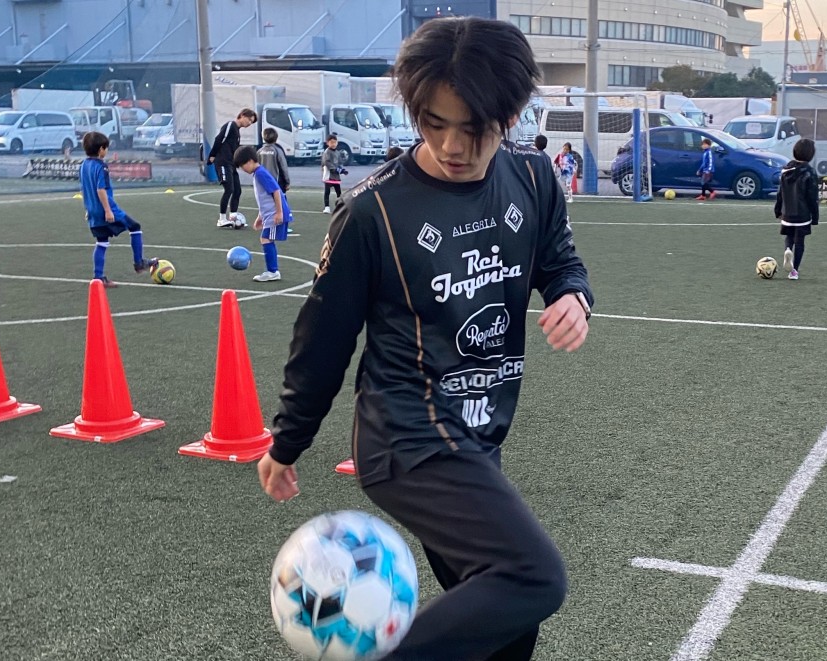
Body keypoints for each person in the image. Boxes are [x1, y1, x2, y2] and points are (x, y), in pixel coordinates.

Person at [256, 16, 592, 661]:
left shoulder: (533, 178)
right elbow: (323, 338)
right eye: (434, 124)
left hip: (478, 432)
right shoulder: (372, 211)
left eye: (473, 128)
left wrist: (572, 295)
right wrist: (288, 440)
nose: (451, 145)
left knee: (506, 620)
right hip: (406, 438)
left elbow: (559, 260)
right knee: (533, 577)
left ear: (509, 116)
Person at [78, 131, 157, 288]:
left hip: (93, 211)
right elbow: (100, 189)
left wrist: (88, 208)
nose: (106, 151)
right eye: (106, 148)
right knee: (135, 227)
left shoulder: (83, 166)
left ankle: (98, 278)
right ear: (101, 149)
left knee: (101, 242)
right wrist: (108, 210)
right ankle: (139, 263)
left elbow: (85, 189)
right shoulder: (101, 167)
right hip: (107, 209)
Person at [233, 145, 292, 282]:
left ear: (250, 161)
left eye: (242, 166)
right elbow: (264, 199)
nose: (242, 169)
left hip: (274, 213)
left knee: (266, 239)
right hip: (269, 214)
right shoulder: (258, 173)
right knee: (266, 238)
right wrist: (260, 217)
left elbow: (276, 191)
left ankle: (272, 271)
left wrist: (279, 212)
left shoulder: (260, 173)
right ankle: (272, 271)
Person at [774, 138, 819, 281]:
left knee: (789, 237)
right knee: (800, 242)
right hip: (802, 215)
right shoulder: (810, 172)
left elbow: (780, 192)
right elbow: (812, 197)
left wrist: (778, 210)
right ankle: (794, 271)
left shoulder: (786, 170)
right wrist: (815, 216)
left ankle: (788, 250)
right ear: (810, 154)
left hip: (787, 213)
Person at [208, 108, 257, 228]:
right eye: (249, 120)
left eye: (251, 122)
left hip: (231, 164)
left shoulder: (237, 131)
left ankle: (233, 218)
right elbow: (219, 139)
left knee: (237, 190)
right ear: (242, 115)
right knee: (229, 189)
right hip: (223, 162)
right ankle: (221, 219)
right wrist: (212, 155)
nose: (249, 123)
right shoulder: (230, 125)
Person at [257, 128, 291, 194]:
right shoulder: (278, 151)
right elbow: (283, 167)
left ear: (263, 138)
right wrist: (287, 182)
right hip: (277, 183)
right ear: (276, 138)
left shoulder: (259, 152)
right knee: (279, 200)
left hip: (263, 183)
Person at [321, 134, 348, 214]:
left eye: (335, 142)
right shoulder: (327, 152)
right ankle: (327, 207)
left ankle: (340, 206)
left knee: (338, 192)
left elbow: (340, 163)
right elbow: (327, 162)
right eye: (331, 142)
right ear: (327, 143)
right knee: (327, 192)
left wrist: (342, 170)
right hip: (328, 175)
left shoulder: (337, 152)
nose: (333, 144)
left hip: (336, 176)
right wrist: (336, 169)